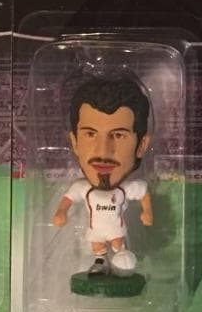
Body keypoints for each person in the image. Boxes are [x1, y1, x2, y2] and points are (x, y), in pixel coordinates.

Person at [52, 76, 153, 277]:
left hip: (117, 231)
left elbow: (143, 193)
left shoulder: (126, 188)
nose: (103, 151)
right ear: (74, 142)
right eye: (90, 134)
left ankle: (122, 259)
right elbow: (68, 199)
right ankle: (100, 263)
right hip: (96, 232)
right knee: (98, 247)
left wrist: (147, 211)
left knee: (118, 245)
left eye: (118, 135)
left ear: (141, 145)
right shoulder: (82, 188)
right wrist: (61, 212)